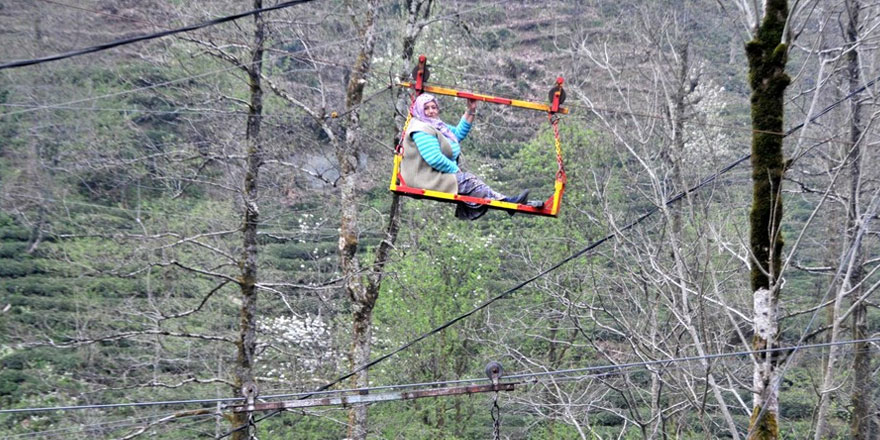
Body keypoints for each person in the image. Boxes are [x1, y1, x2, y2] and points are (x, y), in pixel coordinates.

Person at [401, 93, 536, 220]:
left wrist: (471, 110)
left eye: (434, 107)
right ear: (419, 110)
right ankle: (506, 203)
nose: (431, 111)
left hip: (433, 175)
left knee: (471, 182)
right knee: (469, 181)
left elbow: (456, 135)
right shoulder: (421, 129)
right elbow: (434, 158)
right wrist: (454, 169)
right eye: (426, 108)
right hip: (423, 178)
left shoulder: (435, 126)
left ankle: (506, 203)